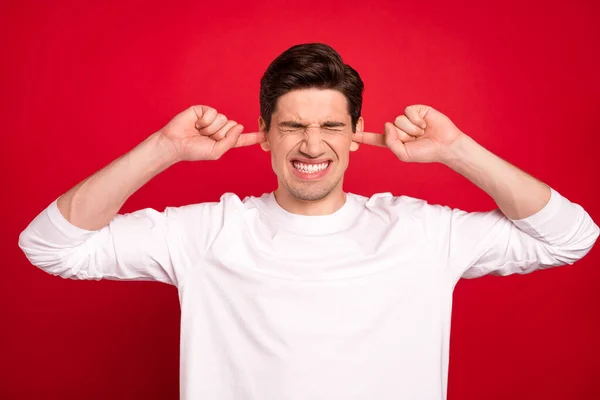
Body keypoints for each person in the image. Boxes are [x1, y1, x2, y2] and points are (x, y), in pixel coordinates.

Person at [18, 43, 599, 400]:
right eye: (293, 126)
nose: (312, 144)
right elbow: (50, 246)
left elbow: (572, 237)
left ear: (356, 136)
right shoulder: (207, 232)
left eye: (331, 126)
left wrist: (456, 151)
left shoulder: (422, 231)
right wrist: (163, 149)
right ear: (266, 134)